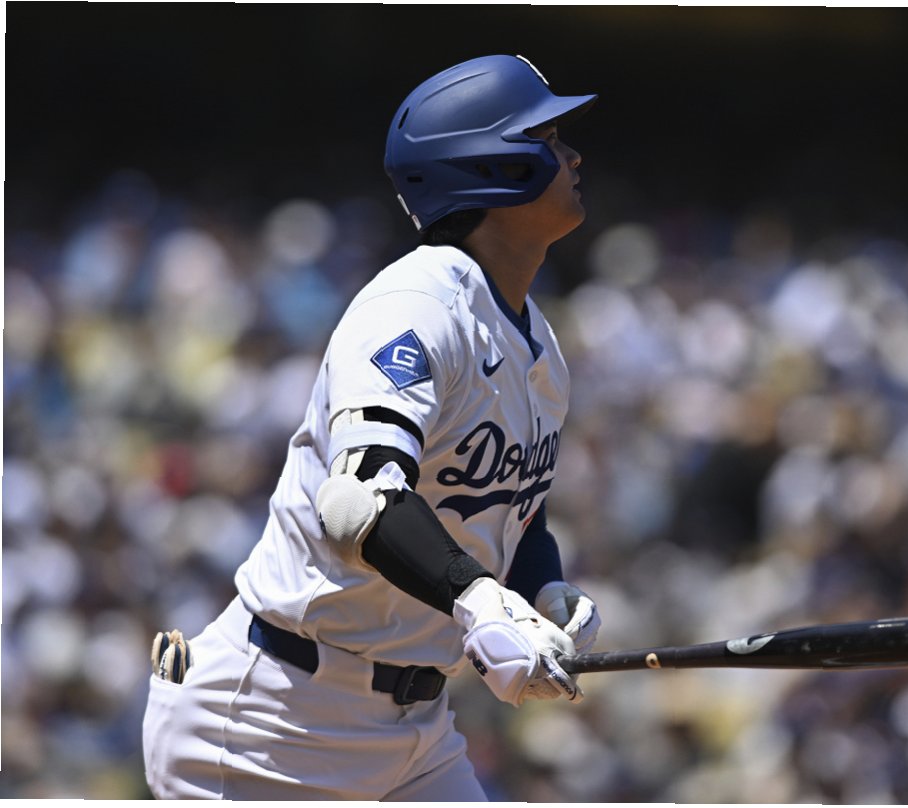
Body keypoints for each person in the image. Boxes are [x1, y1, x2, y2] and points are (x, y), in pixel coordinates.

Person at [142, 54, 602, 801]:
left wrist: (543, 591)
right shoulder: (413, 308)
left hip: (417, 730)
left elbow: (513, 504)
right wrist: (481, 601)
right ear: (493, 166)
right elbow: (358, 500)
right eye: (548, 138)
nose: (573, 156)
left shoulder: (535, 340)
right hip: (274, 721)